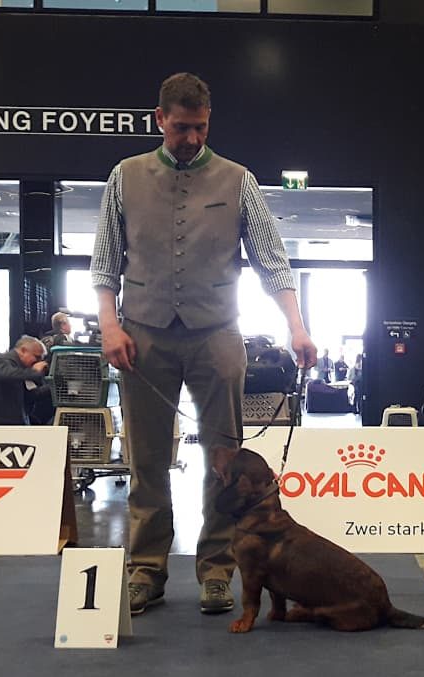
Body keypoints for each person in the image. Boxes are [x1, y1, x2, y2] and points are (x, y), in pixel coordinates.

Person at [90, 72, 317, 617]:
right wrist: (109, 326)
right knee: (146, 461)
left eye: (201, 127)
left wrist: (297, 325)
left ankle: (218, 572)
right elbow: (104, 263)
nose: (192, 138)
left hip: (218, 333)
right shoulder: (124, 176)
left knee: (226, 461)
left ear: (209, 121)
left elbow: (271, 260)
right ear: (160, 119)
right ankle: (146, 570)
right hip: (141, 334)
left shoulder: (239, 179)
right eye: (182, 128)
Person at [0, 336, 48, 425]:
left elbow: (30, 396)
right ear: (23, 350)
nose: (38, 362)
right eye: (37, 357)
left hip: (16, 422)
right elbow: (6, 375)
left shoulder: (21, 371)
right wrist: (33, 372)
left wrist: (53, 387)